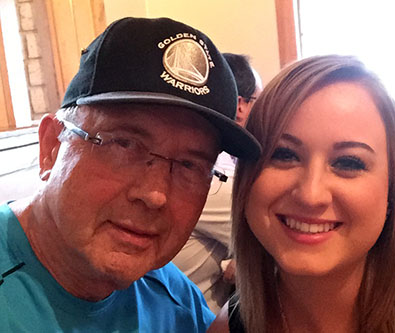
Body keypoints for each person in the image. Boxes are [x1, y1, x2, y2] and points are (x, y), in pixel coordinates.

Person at [0, 17, 261, 332]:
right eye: (124, 145)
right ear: (52, 146)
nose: (155, 194)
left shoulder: (171, 297)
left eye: (190, 165)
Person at [208, 55, 395, 332]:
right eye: (283, 154)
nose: (311, 195)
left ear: (392, 188)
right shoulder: (230, 326)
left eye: (348, 162)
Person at [172, 52, 263, 312]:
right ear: (240, 105)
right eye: (262, 101)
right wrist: (250, 260)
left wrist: (243, 260)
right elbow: (279, 252)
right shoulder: (214, 179)